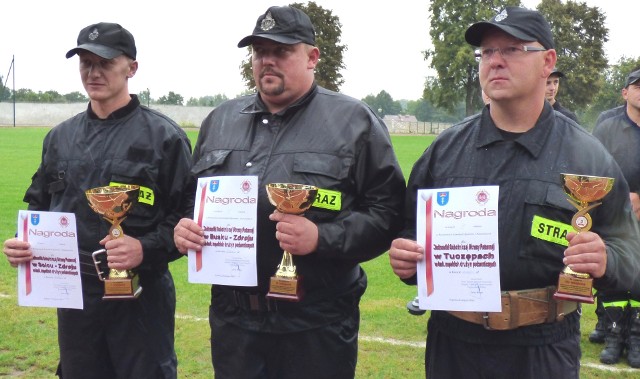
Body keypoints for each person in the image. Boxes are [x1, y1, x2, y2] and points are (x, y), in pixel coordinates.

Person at [388, 7, 640, 379]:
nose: (495, 61)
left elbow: (630, 252)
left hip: (544, 347)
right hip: (455, 345)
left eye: (512, 49)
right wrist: (407, 258)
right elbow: (411, 233)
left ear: (547, 62)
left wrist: (606, 260)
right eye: (487, 52)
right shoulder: (444, 151)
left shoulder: (588, 157)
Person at [173, 5, 405, 379]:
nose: (267, 60)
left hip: (316, 325)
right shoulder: (220, 121)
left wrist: (322, 237)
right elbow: (190, 198)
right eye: (259, 51)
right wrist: (185, 226)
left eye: (281, 51)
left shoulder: (353, 121)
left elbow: (388, 212)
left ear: (312, 57)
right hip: (235, 324)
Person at [2, 22, 192, 378]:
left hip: (140, 299)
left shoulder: (164, 138)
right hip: (75, 300)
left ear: (131, 68)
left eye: (104, 62)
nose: (93, 72)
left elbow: (186, 220)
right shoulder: (60, 138)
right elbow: (39, 209)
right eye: (85, 62)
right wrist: (23, 244)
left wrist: (145, 248)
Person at [591, 67, 640, 368]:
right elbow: (593, 169)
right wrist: (620, 201)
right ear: (625, 93)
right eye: (637, 85)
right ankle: (613, 333)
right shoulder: (607, 128)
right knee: (612, 276)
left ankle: (635, 335)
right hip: (614, 216)